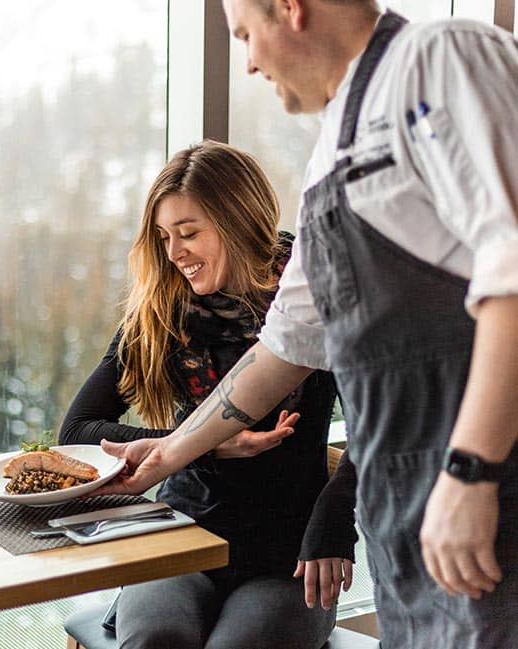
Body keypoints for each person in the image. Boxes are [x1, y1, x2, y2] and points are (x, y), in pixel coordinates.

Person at [94, 2, 518, 648]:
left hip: (486, 498)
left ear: (290, 9)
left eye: (244, 36)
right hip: (403, 520)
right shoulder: (329, 159)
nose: (249, 62)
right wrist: (170, 450)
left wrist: (470, 471)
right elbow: (283, 348)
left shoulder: (439, 59)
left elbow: (511, 266)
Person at [59, 139, 357, 649]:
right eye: (164, 236)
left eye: (189, 233)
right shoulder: (162, 311)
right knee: (156, 640)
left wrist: (336, 521)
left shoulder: (311, 298)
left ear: (239, 220)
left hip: (290, 552)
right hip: (181, 534)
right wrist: (204, 442)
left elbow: (378, 425)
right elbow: (78, 431)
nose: (174, 254)